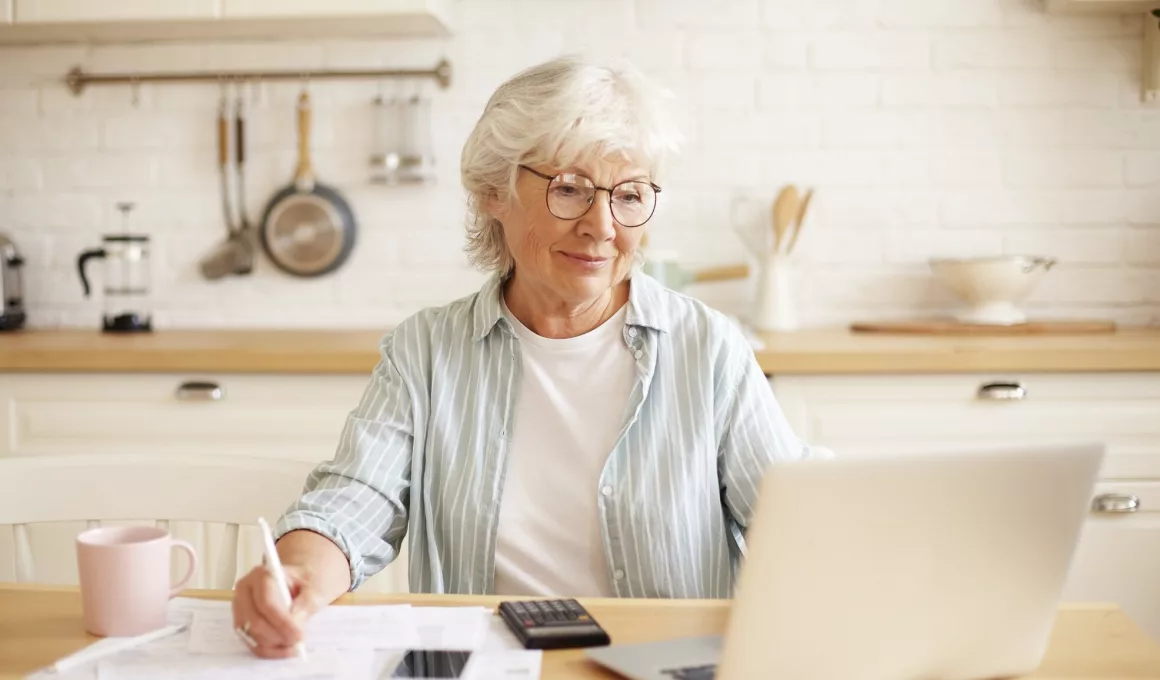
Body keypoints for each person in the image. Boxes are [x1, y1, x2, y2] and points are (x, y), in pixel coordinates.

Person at [231, 54, 823, 659]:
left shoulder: (708, 349)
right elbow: (356, 501)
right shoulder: (426, 352)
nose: (602, 226)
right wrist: (298, 573)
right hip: (486, 667)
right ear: (494, 191)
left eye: (630, 195)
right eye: (569, 189)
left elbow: (798, 518)